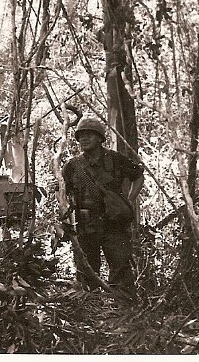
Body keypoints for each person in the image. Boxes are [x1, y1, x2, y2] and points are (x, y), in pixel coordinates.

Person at [62, 116, 144, 299]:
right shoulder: (72, 166)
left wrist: (129, 200)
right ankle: (89, 310)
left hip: (114, 223)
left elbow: (138, 175)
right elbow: (64, 194)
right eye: (81, 136)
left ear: (100, 138)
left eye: (89, 135)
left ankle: (122, 310)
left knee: (121, 267)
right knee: (87, 271)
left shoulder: (115, 159)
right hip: (86, 224)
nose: (84, 139)